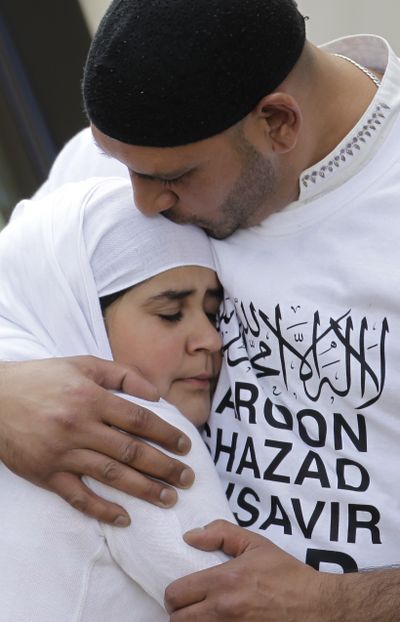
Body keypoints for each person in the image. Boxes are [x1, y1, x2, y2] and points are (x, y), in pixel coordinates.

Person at [2, 0, 400, 619]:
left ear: (277, 122)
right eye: (122, 170)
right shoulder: (140, 148)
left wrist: (336, 601)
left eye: (176, 177)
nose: (141, 204)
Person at [0, 175, 235, 621]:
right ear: (78, 306)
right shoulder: (123, 422)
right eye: (170, 314)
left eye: (211, 311)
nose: (209, 339)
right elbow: (239, 607)